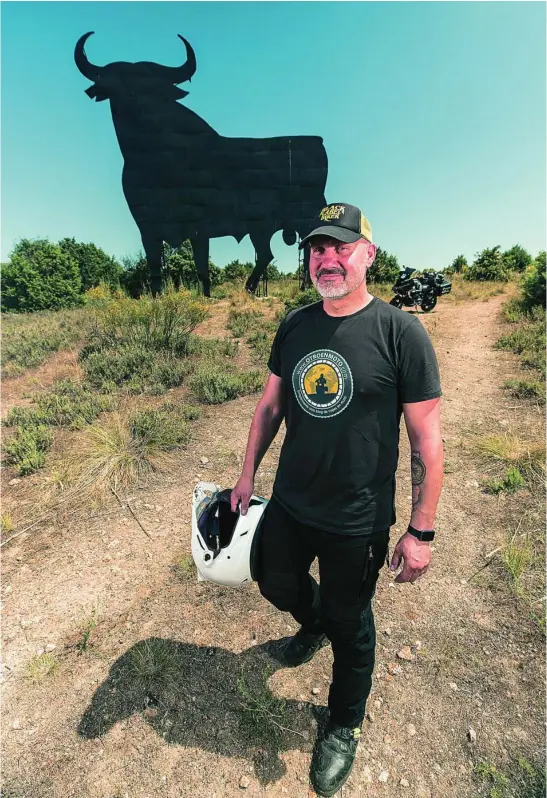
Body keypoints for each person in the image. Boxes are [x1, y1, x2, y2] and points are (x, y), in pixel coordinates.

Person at [231, 202, 443, 797]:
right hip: (292, 502)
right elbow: (270, 406)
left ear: (367, 255)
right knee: (273, 579)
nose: (327, 258)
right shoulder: (296, 324)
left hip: (358, 518)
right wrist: (246, 474)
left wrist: (420, 530)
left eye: (341, 247)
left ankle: (344, 722)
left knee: (354, 624)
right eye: (318, 249)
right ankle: (315, 620)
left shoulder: (402, 332)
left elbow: (427, 442)